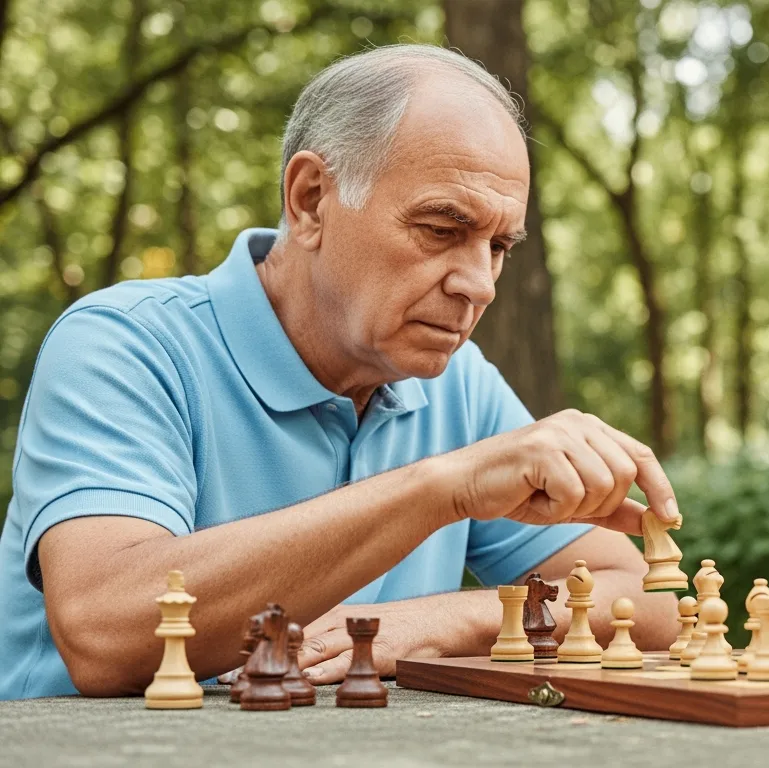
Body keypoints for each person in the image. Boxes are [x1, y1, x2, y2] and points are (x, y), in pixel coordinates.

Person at [0, 44, 681, 701]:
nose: (480, 284)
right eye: (442, 228)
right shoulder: (127, 344)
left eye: (498, 245)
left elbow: (649, 603)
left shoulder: (459, 386)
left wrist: (446, 620)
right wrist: (441, 490)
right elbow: (103, 631)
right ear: (310, 200)